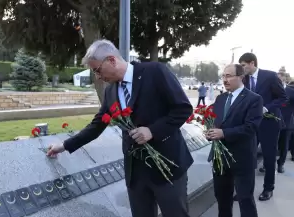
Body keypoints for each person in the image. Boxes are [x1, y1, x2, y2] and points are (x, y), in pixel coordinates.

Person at [46, 39, 194, 217]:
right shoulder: (110, 92)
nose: (98, 77)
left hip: (167, 167)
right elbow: (97, 125)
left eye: (97, 70)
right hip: (136, 174)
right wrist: (64, 146)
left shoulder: (155, 72)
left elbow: (183, 109)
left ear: (111, 60)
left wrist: (152, 131)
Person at [206, 64, 262, 217]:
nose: (225, 80)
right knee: (222, 199)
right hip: (220, 159)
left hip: (242, 158)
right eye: (223, 76)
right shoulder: (220, 98)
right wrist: (210, 132)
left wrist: (223, 133)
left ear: (241, 77)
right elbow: (216, 122)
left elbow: (250, 128)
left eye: (229, 76)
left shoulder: (254, 99)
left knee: (245, 199)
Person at [238, 53, 287, 201]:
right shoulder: (243, 79)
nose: (242, 68)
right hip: (251, 124)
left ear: (252, 63)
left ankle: (268, 188)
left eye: (243, 65)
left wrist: (267, 108)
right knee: (247, 156)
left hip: (269, 124)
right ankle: (244, 189)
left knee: (268, 157)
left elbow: (283, 97)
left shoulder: (270, 76)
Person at [276, 72, 294, 172]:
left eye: (280, 79)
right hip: (273, 122)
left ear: (284, 80)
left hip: (287, 122)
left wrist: (286, 115)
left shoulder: (291, 91)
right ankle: (266, 164)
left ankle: (281, 164)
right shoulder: (272, 90)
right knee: (271, 144)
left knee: (284, 145)